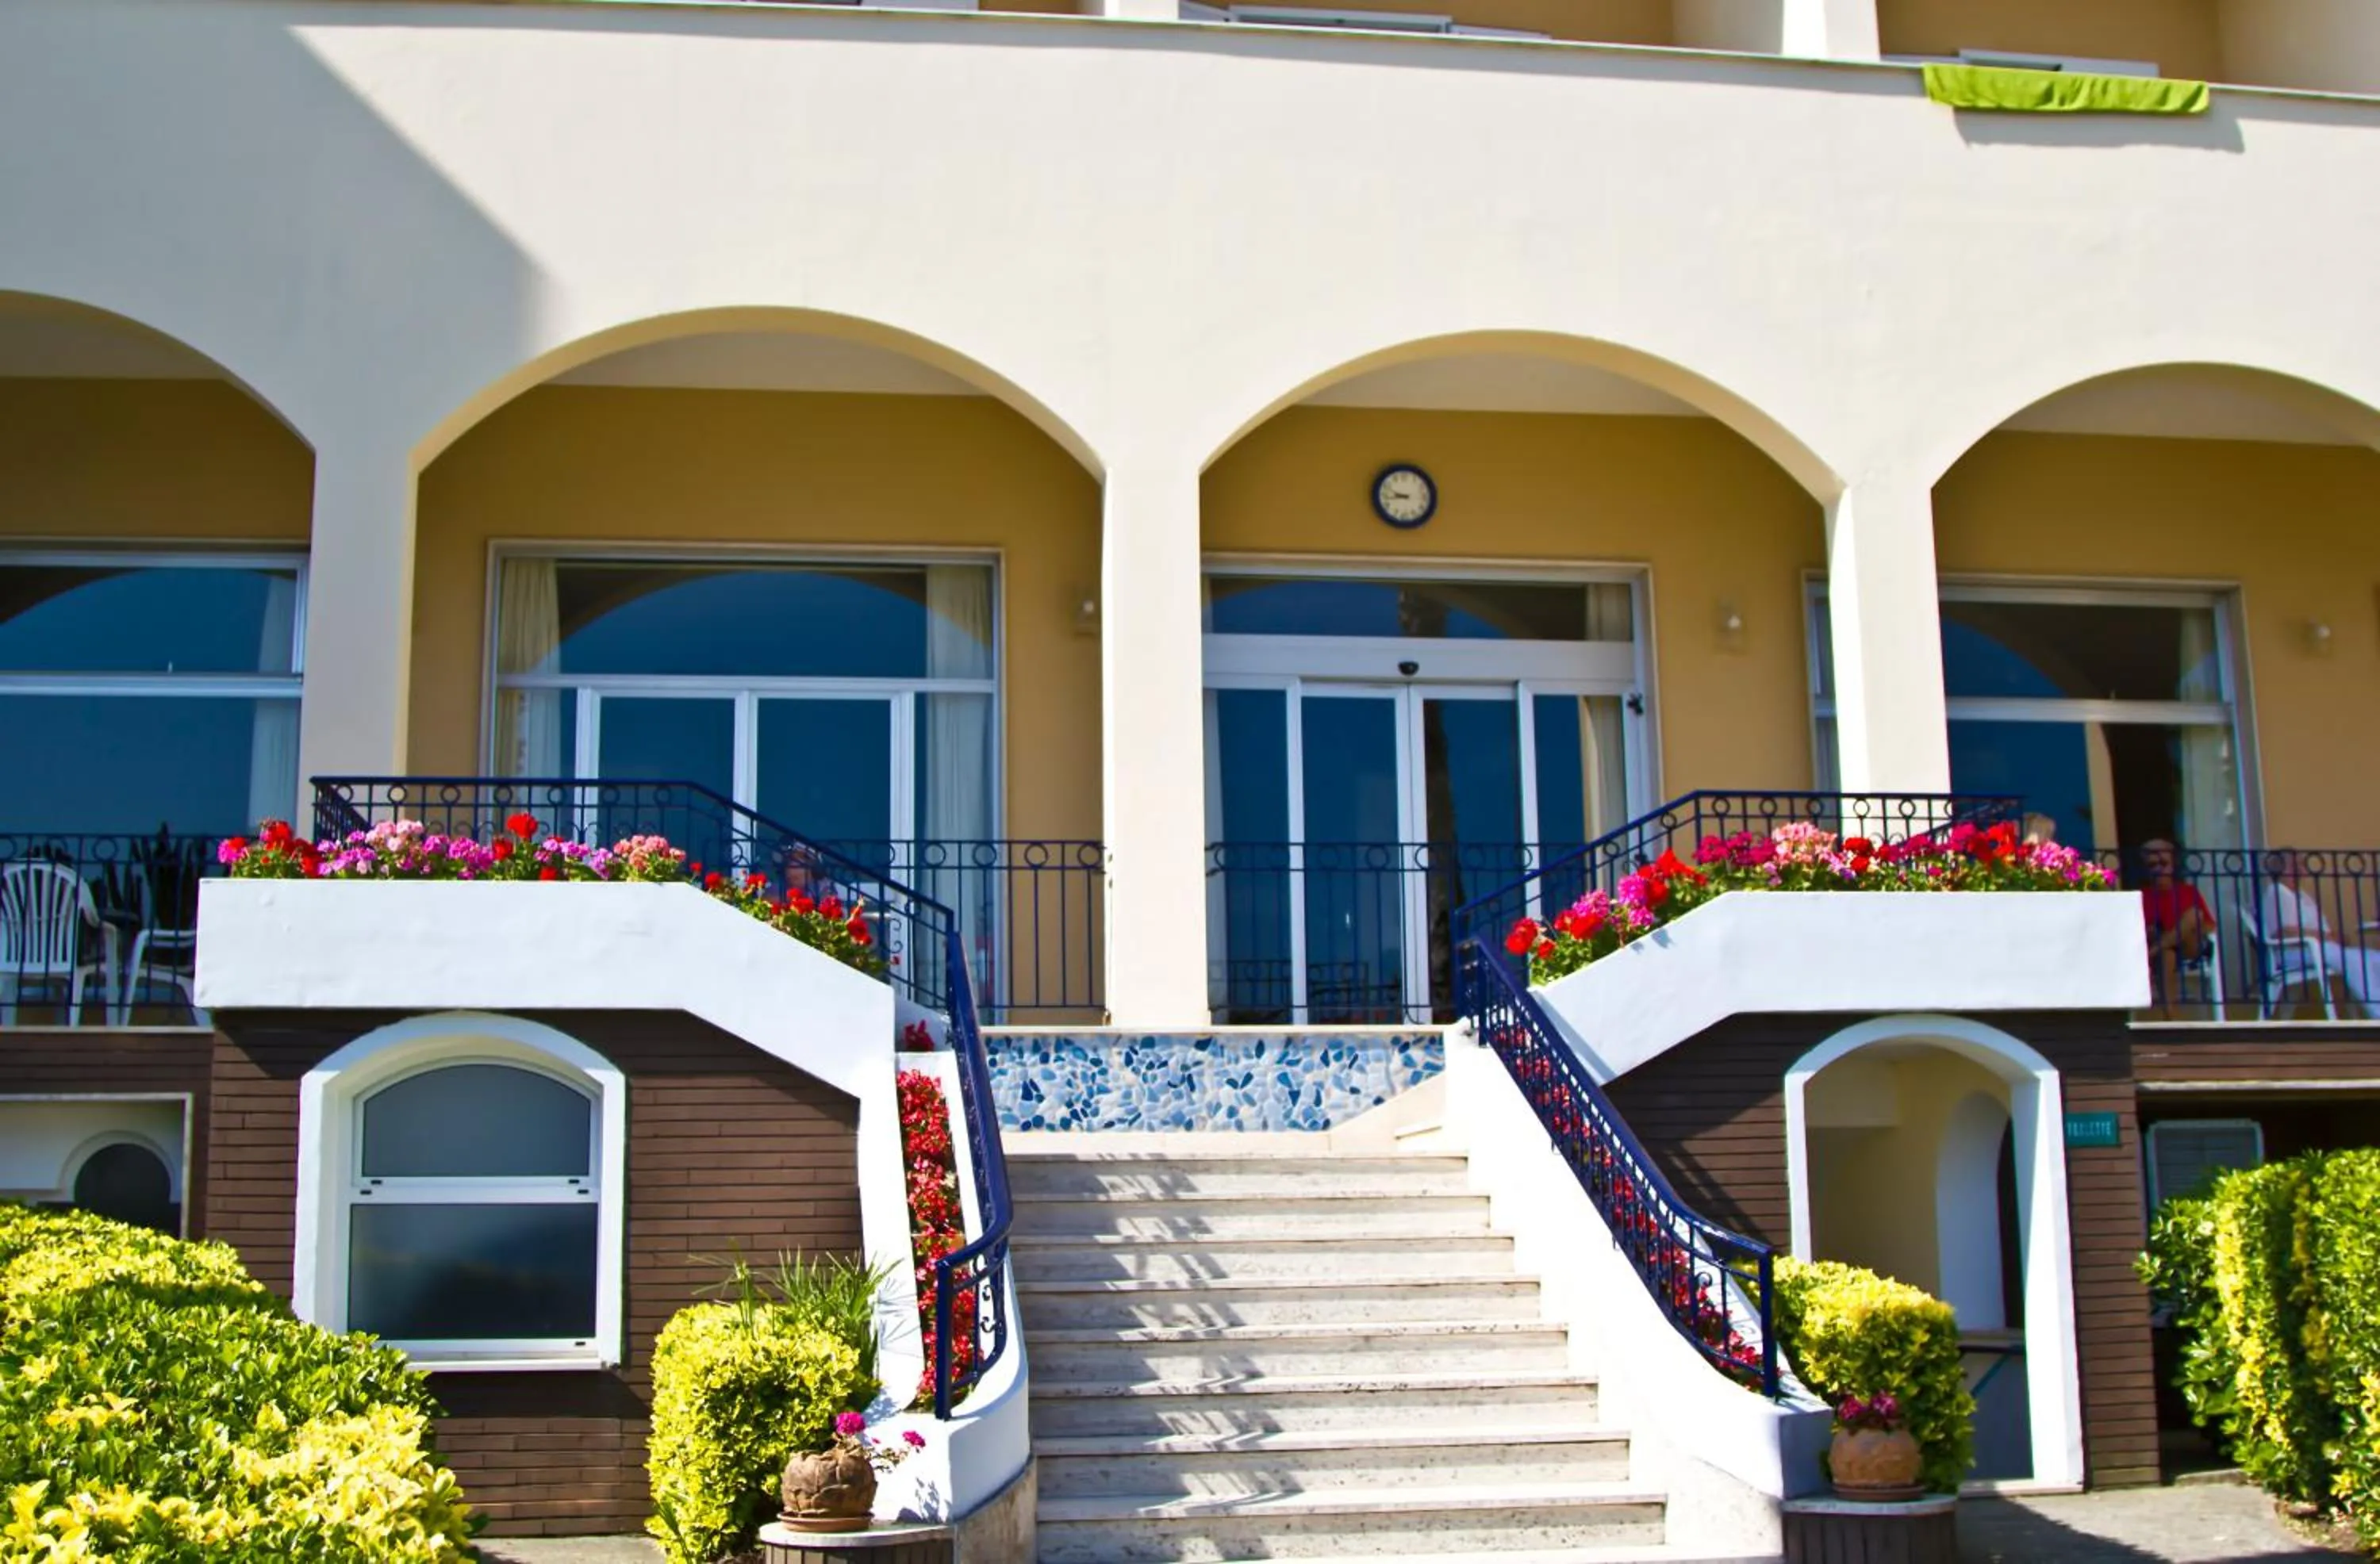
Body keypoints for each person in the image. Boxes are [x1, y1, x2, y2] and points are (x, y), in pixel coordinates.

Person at [2257, 849, 2380, 1019]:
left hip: (2318, 948)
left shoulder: (2301, 895)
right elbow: (2283, 931)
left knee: (2373, 958)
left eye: (2301, 865)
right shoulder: (2277, 892)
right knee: (2351, 960)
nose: (2302, 870)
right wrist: (2327, 937)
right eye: (2296, 865)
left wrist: (2334, 937)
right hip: (2294, 952)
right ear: (2281, 869)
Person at [2137, 838, 2213, 1014]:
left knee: (2193, 915)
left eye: (2163, 863)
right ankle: (2170, 1016)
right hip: (2162, 948)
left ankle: (2157, 949)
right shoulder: (2143, 896)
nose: (2158, 869)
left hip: (2190, 946)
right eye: (2152, 865)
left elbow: (2208, 926)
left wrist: (2186, 928)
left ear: (2172, 865)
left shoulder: (2188, 891)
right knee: (2167, 953)